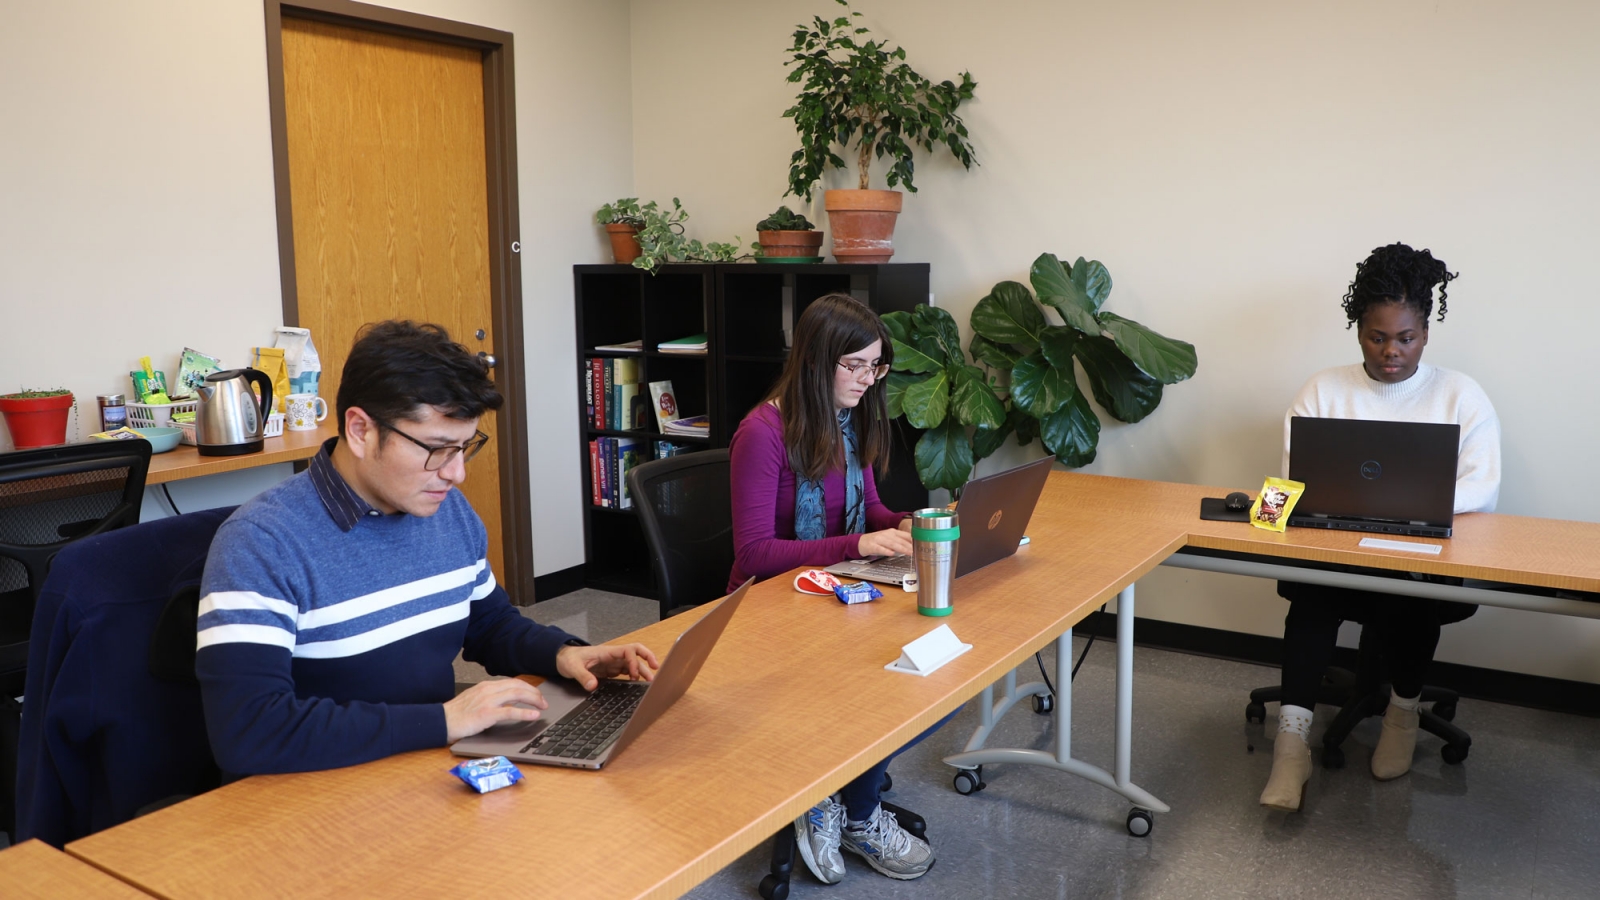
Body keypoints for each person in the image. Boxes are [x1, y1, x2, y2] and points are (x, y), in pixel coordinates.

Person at [197, 321, 659, 777]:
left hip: (422, 766)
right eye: (438, 449)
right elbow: (250, 732)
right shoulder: (261, 543)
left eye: (464, 447)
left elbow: (489, 624)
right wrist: (443, 721)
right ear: (360, 431)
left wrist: (562, 654)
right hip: (316, 793)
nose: (456, 473)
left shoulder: (446, 511)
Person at [1259, 244, 1501, 812]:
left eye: (1406, 338)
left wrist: (1399, 512)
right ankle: (1291, 747)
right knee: (1312, 602)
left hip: (1418, 557)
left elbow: (1482, 487)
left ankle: (1402, 712)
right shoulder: (1323, 389)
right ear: (1358, 330)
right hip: (1338, 549)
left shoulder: (1460, 395)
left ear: (1426, 332)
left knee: (1410, 598)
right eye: (1376, 337)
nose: (1391, 352)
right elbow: (1300, 475)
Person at [729, 293, 947, 884]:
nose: (867, 380)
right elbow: (752, 556)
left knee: (929, 678)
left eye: (875, 367)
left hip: (835, 591)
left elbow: (868, 508)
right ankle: (842, 803)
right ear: (814, 361)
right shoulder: (763, 432)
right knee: (877, 681)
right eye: (853, 366)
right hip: (766, 608)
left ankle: (842, 800)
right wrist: (856, 546)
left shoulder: (848, 419)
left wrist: (904, 525)